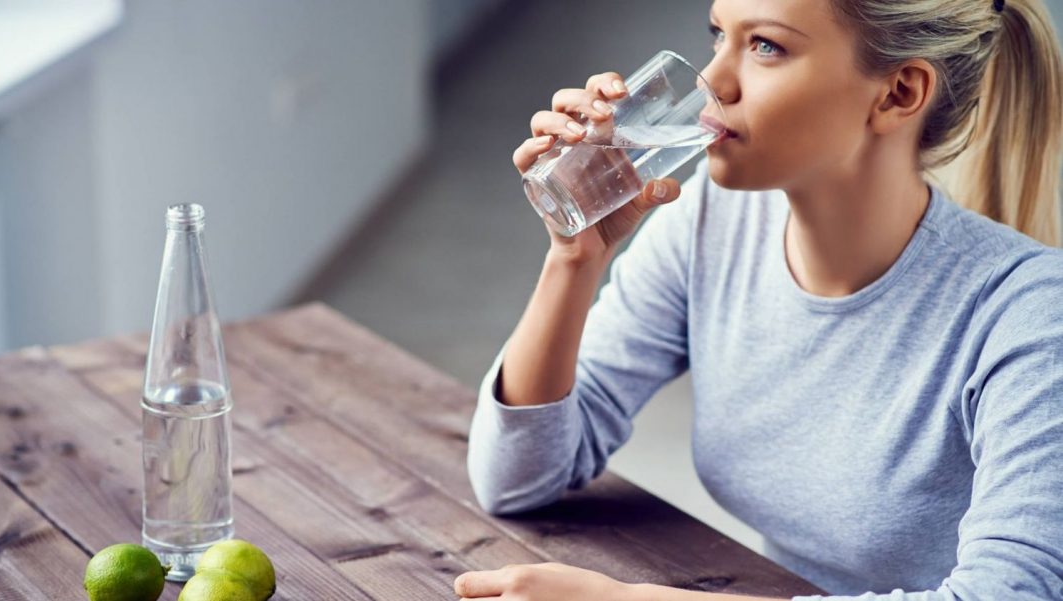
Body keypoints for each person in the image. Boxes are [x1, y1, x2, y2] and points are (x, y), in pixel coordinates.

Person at [453, 0, 1063, 599]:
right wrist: (574, 257)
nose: (713, 81)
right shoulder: (712, 219)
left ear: (899, 93)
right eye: (718, 34)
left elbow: (1011, 591)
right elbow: (517, 481)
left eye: (765, 46)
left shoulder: (1032, 314)